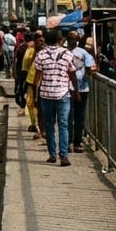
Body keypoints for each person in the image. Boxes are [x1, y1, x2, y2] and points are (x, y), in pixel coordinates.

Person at [32, 29, 79, 166]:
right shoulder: (67, 54)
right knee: (63, 124)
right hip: (63, 93)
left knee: (49, 125)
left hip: (45, 94)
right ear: (60, 40)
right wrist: (76, 91)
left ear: (45, 40)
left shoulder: (41, 55)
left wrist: (35, 94)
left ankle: (52, 154)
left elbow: (38, 76)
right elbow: (72, 74)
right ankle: (63, 155)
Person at [66, 32, 97, 153]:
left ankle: (76, 142)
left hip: (81, 88)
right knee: (68, 117)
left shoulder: (83, 53)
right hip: (68, 88)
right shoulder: (64, 52)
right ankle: (68, 142)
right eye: (71, 39)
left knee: (78, 116)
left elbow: (90, 67)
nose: (73, 41)